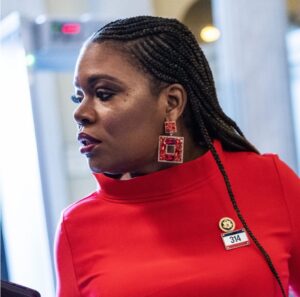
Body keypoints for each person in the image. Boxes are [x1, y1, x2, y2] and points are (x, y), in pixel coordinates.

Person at [54, 16, 300, 297]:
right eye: (78, 97)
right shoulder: (76, 226)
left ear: (171, 103)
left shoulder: (268, 180)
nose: (80, 113)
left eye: (104, 94)